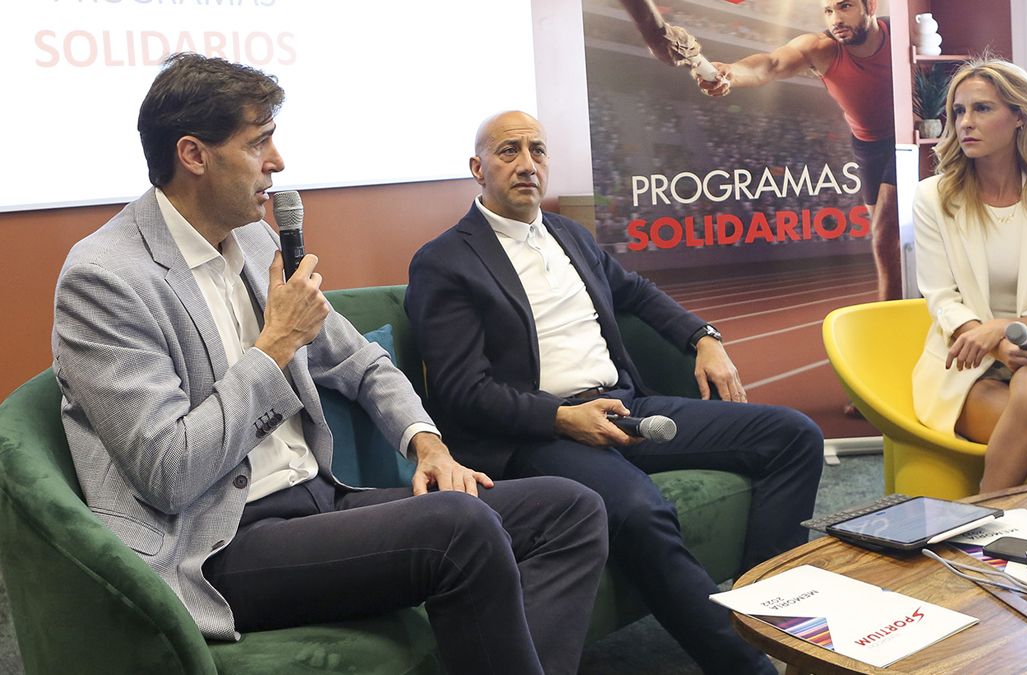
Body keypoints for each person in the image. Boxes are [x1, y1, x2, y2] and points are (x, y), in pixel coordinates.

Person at [51, 54, 608, 675]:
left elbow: (362, 362)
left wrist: (426, 444)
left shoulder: (257, 240)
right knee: (460, 527)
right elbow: (168, 472)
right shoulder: (106, 277)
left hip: (317, 500)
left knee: (571, 509)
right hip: (217, 544)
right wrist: (275, 348)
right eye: (259, 141)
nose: (278, 162)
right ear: (193, 154)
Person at [405, 110, 824, 675]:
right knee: (639, 511)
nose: (527, 164)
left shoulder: (570, 234)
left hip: (626, 407)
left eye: (538, 150)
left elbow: (637, 293)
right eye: (509, 152)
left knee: (794, 437)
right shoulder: (445, 260)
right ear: (478, 168)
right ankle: (748, 665)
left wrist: (702, 336)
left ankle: (766, 615)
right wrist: (562, 418)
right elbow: (460, 391)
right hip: (538, 434)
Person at [911, 59, 1027, 492]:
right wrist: (990, 344)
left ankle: (984, 517)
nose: (965, 123)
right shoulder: (933, 198)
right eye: (958, 111)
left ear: (1019, 117)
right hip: (966, 366)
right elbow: (941, 296)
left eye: (982, 109)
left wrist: (1002, 331)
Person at [693, 0, 900, 303]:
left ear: (870, 6)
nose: (836, 19)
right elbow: (771, 65)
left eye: (845, 7)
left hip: (909, 136)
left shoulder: (901, 35)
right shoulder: (821, 48)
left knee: (884, 234)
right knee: (886, 238)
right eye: (828, 11)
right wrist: (731, 73)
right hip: (868, 146)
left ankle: (891, 316)